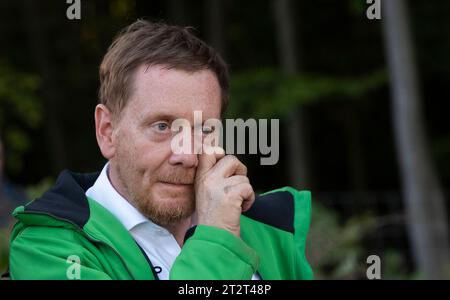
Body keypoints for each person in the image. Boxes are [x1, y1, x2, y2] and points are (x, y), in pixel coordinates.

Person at [7, 20, 313, 280]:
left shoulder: (271, 231)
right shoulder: (49, 249)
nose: (187, 155)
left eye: (204, 129)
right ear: (107, 131)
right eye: (162, 127)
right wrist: (217, 239)